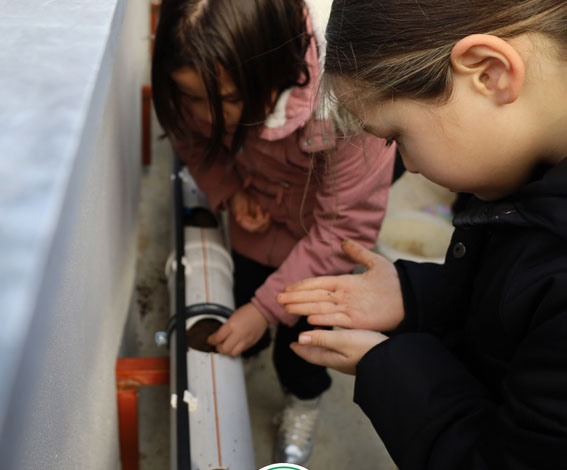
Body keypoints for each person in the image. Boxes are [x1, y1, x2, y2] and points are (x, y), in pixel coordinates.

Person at [276, 0, 567, 468]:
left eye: (395, 136)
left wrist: (389, 367)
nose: (406, 165)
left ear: (488, 73)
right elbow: (518, 308)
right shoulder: (522, 177)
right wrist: (418, 297)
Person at [151, 0, 395, 464]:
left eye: (223, 99)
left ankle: (303, 402)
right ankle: (248, 353)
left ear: (274, 67)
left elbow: (344, 228)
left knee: (304, 346)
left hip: (325, 250)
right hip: (257, 223)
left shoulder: (350, 97)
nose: (205, 115)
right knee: (244, 295)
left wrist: (264, 310)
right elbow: (191, 138)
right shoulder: (193, 63)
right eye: (193, 98)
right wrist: (231, 191)